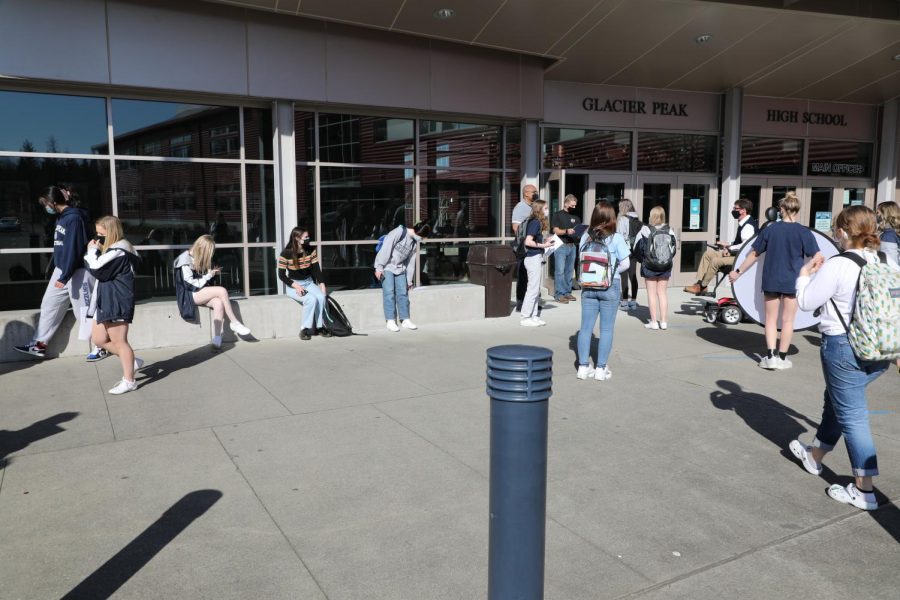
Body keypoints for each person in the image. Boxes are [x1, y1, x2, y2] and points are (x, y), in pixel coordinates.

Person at [790, 206, 891, 511]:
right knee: (838, 400)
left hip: (843, 346)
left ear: (844, 232)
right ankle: (815, 455)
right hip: (879, 350)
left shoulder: (839, 264)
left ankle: (864, 490)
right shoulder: (886, 260)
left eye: (837, 229)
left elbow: (807, 303)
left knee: (852, 416)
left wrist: (804, 276)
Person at [14, 185, 106, 361]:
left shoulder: (74, 218)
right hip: (63, 269)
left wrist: (64, 276)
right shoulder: (61, 218)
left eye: (46, 204)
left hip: (78, 271)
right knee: (49, 304)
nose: (45, 207)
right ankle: (38, 344)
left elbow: (74, 249)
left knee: (84, 310)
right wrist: (60, 271)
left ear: (53, 202)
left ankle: (101, 346)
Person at [729, 192, 821, 369]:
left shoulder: (770, 230)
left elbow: (754, 254)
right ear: (796, 210)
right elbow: (818, 257)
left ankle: (770, 356)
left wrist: (738, 271)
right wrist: (808, 272)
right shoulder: (804, 232)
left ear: (782, 209)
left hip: (771, 279)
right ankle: (783, 358)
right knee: (788, 321)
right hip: (793, 281)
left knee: (770, 319)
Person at [84, 216, 142, 395]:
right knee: (98, 339)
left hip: (116, 300)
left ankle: (129, 381)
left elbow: (98, 270)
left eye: (101, 234)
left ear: (110, 232)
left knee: (120, 341)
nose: (97, 238)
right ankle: (132, 361)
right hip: (106, 299)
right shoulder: (114, 250)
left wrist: (92, 251)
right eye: (97, 234)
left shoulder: (120, 250)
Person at [575, 201, 631, 380]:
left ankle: (583, 367)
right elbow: (626, 264)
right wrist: (610, 272)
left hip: (589, 286)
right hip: (609, 286)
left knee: (585, 328)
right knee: (606, 329)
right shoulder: (616, 238)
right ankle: (601, 369)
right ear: (611, 218)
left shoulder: (585, 237)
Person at [175, 235, 251, 349]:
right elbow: (190, 284)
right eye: (208, 252)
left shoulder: (194, 257)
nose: (209, 256)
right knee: (222, 290)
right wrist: (209, 275)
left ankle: (217, 339)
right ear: (202, 249)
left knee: (218, 303)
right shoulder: (184, 260)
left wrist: (212, 274)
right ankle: (234, 322)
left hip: (196, 292)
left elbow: (201, 281)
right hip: (188, 296)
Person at [683, 198, 758, 294]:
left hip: (741, 258)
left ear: (743, 210)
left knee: (715, 261)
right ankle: (699, 283)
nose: (733, 211)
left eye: (736, 208)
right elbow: (741, 242)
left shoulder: (748, 226)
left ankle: (702, 286)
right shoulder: (743, 223)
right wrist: (728, 244)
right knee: (708, 254)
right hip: (736, 254)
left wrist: (729, 249)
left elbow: (746, 246)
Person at [374, 221, 430, 332]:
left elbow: (410, 262)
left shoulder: (414, 243)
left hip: (400, 268)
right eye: (422, 237)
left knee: (403, 293)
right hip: (387, 266)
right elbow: (386, 249)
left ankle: (405, 319)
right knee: (389, 292)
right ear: (419, 232)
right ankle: (390, 320)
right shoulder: (399, 232)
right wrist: (379, 267)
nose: (422, 240)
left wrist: (409, 281)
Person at [278, 227, 329, 340]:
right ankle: (304, 329)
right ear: (297, 238)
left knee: (321, 297)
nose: (308, 239)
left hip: (309, 283)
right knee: (311, 299)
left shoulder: (310, 250)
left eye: (308, 236)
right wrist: (296, 286)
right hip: (294, 286)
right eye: (305, 237)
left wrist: (322, 284)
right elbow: (281, 275)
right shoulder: (286, 253)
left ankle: (320, 327)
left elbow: (316, 269)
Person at [634, 206, 677, 330]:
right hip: (665, 265)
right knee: (662, 293)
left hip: (650, 265)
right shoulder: (670, 230)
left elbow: (637, 248)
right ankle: (664, 322)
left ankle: (654, 322)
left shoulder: (645, 229)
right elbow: (673, 251)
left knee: (651, 294)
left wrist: (642, 260)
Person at [520, 199, 552, 326]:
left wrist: (546, 240)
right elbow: (528, 241)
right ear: (540, 209)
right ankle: (525, 317)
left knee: (535, 288)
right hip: (532, 257)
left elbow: (534, 239)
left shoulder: (536, 222)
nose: (547, 210)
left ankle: (534, 316)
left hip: (535, 257)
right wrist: (544, 245)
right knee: (532, 289)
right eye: (546, 208)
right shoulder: (535, 222)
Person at [511, 184, 538, 311]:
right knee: (523, 276)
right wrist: (525, 239)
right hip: (523, 248)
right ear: (526, 193)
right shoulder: (520, 207)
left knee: (531, 277)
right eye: (534, 192)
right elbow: (515, 227)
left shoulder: (534, 207)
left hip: (533, 246)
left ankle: (531, 303)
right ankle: (521, 304)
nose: (536, 193)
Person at [551, 194, 581, 304]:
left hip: (572, 246)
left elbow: (578, 232)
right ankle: (559, 294)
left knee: (569, 271)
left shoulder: (576, 217)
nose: (573, 208)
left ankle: (567, 292)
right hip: (561, 245)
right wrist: (566, 231)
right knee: (560, 271)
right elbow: (555, 230)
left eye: (575, 206)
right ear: (565, 203)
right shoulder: (558, 215)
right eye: (571, 205)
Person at [616, 199, 642, 311]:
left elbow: (620, 235)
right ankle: (634, 301)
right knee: (633, 275)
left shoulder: (622, 219)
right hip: (634, 250)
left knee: (624, 275)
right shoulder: (636, 218)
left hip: (624, 250)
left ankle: (624, 302)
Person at [876, 201, 899, 269]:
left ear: (885, 214)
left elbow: (890, 262)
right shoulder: (893, 232)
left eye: (877, 212)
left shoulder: (889, 235)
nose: (876, 215)